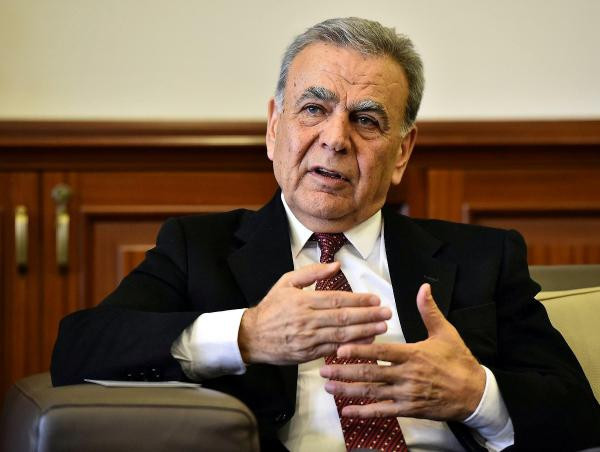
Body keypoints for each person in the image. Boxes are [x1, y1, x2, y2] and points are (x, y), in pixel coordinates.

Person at [51, 17, 599, 452]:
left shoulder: (483, 256)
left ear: (402, 151)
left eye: (367, 120)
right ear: (274, 128)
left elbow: (577, 413)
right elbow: (80, 349)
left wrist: (475, 394)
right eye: (314, 108)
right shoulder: (200, 250)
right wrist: (247, 335)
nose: (336, 139)